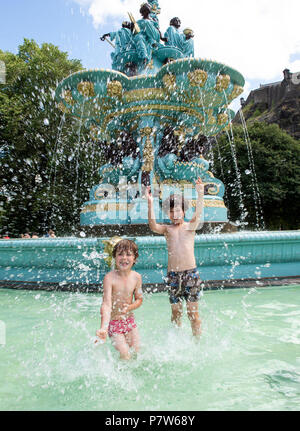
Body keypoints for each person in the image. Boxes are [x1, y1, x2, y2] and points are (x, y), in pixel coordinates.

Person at [146, 178, 204, 339]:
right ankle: (177, 341)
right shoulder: (167, 229)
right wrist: (150, 204)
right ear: (168, 214)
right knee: (176, 313)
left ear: (184, 211)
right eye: (171, 211)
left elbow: (198, 213)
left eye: (178, 210)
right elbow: (153, 226)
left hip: (190, 275)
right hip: (173, 276)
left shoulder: (190, 227)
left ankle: (197, 343)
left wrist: (200, 194)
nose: (175, 214)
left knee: (193, 314)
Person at [96, 239, 143, 360]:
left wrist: (130, 307)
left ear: (135, 258)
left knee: (137, 351)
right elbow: (106, 304)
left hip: (129, 322)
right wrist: (103, 327)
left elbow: (139, 299)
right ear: (114, 257)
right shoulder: (109, 278)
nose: (124, 258)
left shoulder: (137, 277)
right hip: (114, 324)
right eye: (120, 254)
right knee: (124, 353)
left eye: (128, 254)